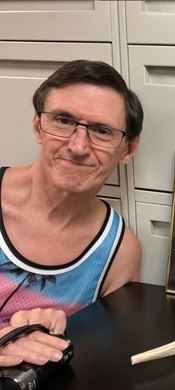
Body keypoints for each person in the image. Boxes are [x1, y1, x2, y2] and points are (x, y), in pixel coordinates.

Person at [0, 60, 144, 367]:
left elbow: (103, 360)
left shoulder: (119, 252)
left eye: (102, 131)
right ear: (38, 126)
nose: (78, 146)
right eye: (63, 121)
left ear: (127, 150)